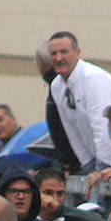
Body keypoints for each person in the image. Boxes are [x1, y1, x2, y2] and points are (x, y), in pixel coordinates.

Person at [47, 31, 111, 173]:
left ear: (77, 52)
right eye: (53, 54)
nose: (58, 58)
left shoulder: (93, 78)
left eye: (64, 52)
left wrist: (102, 168)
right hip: (94, 159)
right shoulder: (56, 86)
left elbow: (102, 126)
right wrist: (87, 165)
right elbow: (71, 129)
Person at [35, 40, 81, 173]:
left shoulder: (60, 87)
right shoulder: (65, 84)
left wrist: (67, 159)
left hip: (74, 160)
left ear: (40, 63)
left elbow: (61, 126)